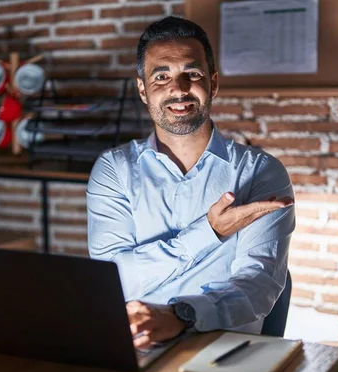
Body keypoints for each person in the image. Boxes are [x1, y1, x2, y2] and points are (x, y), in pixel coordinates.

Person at [87, 16, 295, 349]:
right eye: (161, 76)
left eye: (192, 74)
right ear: (143, 89)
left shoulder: (261, 172)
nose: (178, 88)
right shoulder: (115, 170)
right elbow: (112, 281)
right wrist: (208, 233)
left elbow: (258, 286)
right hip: (138, 342)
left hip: (222, 347)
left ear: (213, 83)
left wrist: (181, 315)